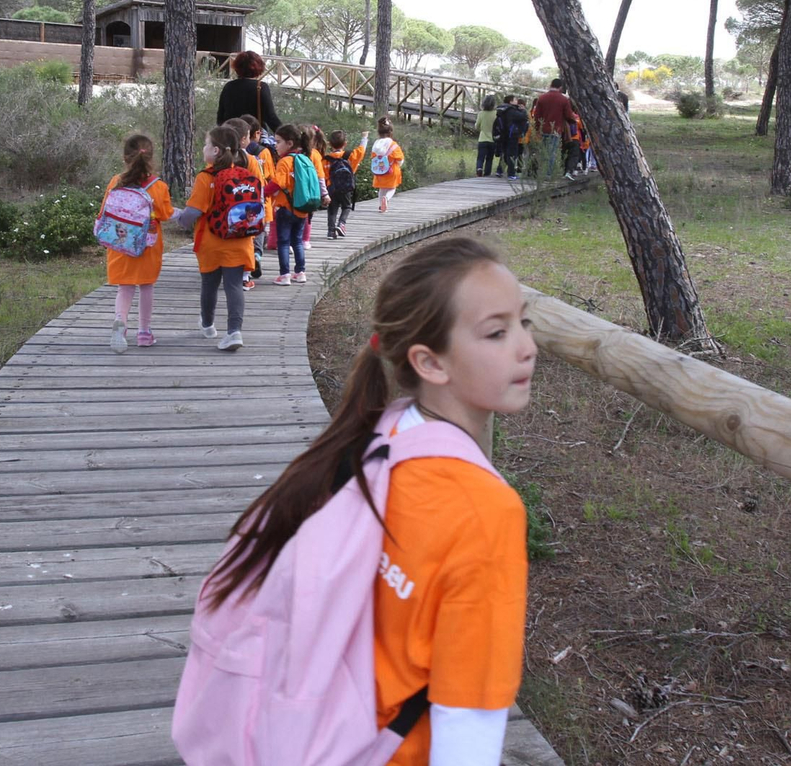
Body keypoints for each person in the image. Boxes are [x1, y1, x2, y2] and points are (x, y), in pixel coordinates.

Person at [193, 237, 536, 765]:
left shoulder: (381, 433)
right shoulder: (487, 512)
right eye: (497, 332)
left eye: (524, 322)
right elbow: (468, 717)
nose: (527, 347)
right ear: (429, 362)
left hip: (306, 732)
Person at [173, 125, 256, 351]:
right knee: (234, 286)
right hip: (240, 241)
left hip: (211, 243)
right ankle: (234, 331)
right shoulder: (245, 175)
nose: (203, 148)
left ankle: (208, 325)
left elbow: (193, 212)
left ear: (216, 150)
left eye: (206, 145)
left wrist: (178, 218)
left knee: (209, 285)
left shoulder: (206, 177)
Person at [99, 133, 174, 353]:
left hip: (120, 243)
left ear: (125, 158)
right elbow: (165, 214)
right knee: (146, 286)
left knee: (125, 287)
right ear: (151, 158)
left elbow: (104, 212)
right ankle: (144, 333)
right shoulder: (158, 186)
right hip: (147, 246)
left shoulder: (116, 181)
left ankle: (120, 323)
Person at [265, 123, 314, 285]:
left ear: (289, 143)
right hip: (302, 208)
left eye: (278, 142)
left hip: (285, 208)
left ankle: (285, 275)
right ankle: (300, 272)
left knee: (283, 242)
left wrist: (262, 192)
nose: (275, 145)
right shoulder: (305, 159)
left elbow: (278, 183)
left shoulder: (284, 161)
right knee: (297, 241)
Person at [239, 114, 274, 283]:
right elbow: (270, 176)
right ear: (257, 133)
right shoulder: (263, 152)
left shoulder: (231, 155)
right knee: (258, 230)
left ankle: (243, 264)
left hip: (238, 201)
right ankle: (257, 256)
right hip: (260, 199)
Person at [215, 50, 283, 131]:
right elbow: (271, 118)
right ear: (259, 67)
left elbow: (220, 118)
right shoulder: (261, 87)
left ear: (237, 67)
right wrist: (286, 134)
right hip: (254, 135)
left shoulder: (228, 86)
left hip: (232, 135)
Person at [325, 128, 369, 238]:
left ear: (329, 144)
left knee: (332, 209)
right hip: (345, 187)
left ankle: (331, 232)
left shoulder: (326, 159)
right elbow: (361, 151)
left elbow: (322, 174)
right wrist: (364, 138)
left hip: (331, 187)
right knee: (346, 206)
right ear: (345, 143)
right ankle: (341, 223)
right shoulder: (350, 155)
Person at [533, 78, 575, 180]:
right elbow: (569, 115)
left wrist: (537, 128)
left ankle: (540, 172)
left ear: (551, 84)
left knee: (543, 151)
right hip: (555, 129)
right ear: (560, 87)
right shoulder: (563, 99)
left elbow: (536, 115)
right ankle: (548, 174)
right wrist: (572, 121)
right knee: (552, 152)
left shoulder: (542, 98)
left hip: (543, 129)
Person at [369, 117, 404, 212]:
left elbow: (373, 157)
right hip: (391, 170)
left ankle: (381, 205)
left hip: (379, 170)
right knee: (392, 188)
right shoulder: (393, 145)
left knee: (382, 189)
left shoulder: (376, 145)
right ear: (390, 132)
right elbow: (400, 159)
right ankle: (386, 199)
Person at [493, 95, 528, 180]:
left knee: (504, 153)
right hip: (512, 134)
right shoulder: (511, 110)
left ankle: (499, 171)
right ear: (510, 101)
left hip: (503, 134)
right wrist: (523, 110)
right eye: (515, 99)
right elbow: (522, 117)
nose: (517, 101)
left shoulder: (501, 110)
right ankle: (511, 174)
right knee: (512, 154)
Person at [475, 93, 498, 177]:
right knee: (489, 158)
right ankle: (487, 173)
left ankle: (479, 168)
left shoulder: (481, 113)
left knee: (480, 157)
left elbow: (476, 126)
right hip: (493, 139)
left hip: (482, 138)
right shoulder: (496, 114)